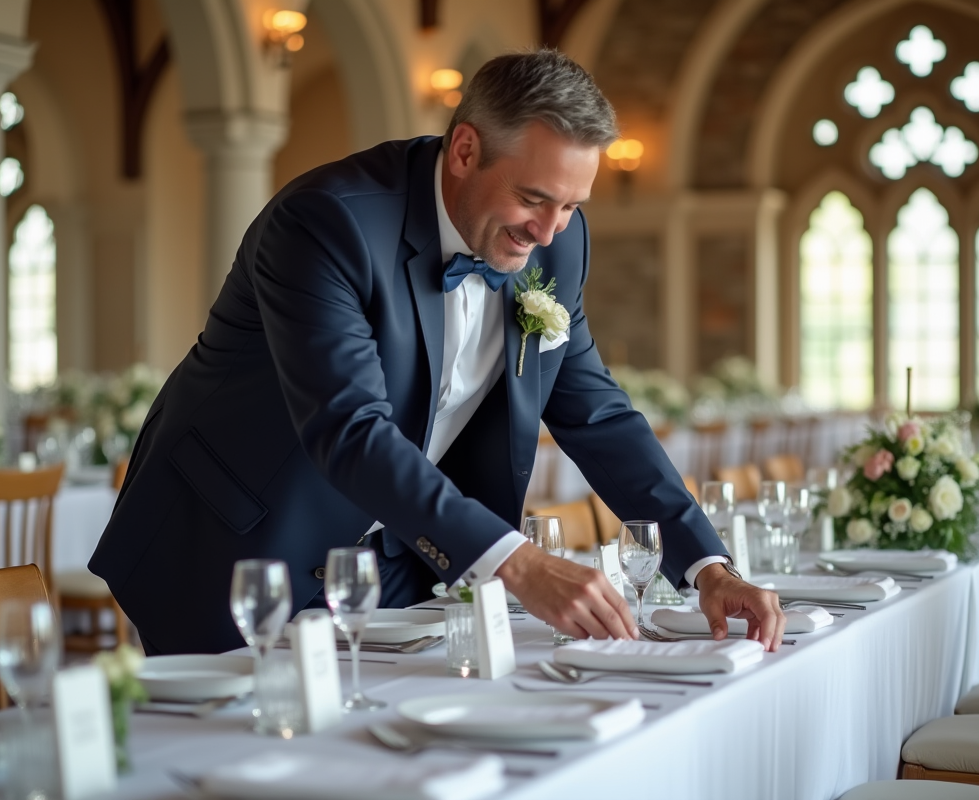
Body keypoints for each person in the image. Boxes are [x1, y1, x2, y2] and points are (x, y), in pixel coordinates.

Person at [89, 49, 785, 655]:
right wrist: (519, 563)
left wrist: (707, 567)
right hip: (233, 545)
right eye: (534, 198)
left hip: (391, 559)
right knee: (242, 746)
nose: (549, 231)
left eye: (572, 205)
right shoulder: (326, 223)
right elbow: (350, 428)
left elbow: (597, 415)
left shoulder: (558, 244)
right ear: (465, 151)